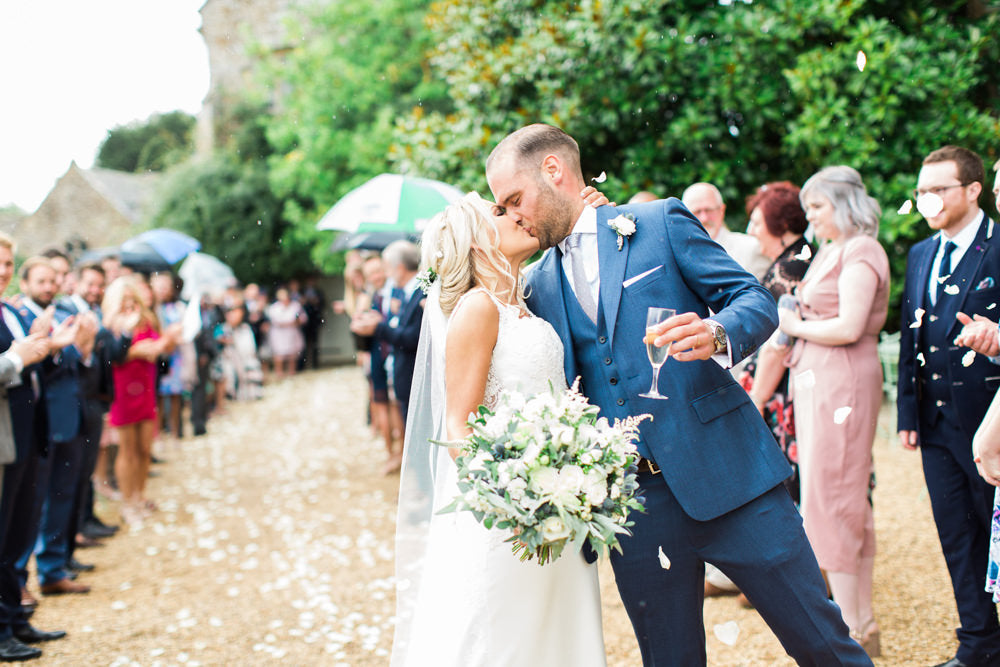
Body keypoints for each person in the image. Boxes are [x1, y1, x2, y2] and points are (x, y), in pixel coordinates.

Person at [485, 123, 870, 666]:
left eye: (514, 199)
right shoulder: (538, 283)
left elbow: (752, 298)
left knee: (822, 642)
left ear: (554, 171)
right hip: (635, 508)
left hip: (733, 479)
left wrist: (717, 334)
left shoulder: (659, 222)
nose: (511, 215)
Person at [391, 191, 609, 666]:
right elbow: (458, 426)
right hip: (512, 511)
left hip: (558, 498)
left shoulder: (526, 300)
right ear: (475, 241)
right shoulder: (478, 308)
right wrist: (518, 499)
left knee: (554, 634)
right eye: (498, 213)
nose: (516, 216)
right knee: (506, 639)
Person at [776, 167, 889, 656]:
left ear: (843, 204)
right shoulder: (830, 250)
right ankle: (859, 622)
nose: (811, 217)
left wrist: (791, 324)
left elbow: (849, 326)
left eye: (818, 207)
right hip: (818, 379)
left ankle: (852, 626)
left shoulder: (862, 249)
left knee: (837, 496)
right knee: (829, 493)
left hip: (842, 379)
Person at [898, 146, 1000, 667]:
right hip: (936, 425)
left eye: (939, 189)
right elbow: (910, 339)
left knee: (995, 532)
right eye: (921, 191)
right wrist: (907, 415)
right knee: (957, 536)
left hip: (990, 422)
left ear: (974, 191)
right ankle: (978, 646)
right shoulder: (919, 254)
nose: (927, 200)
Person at [705, 181, 815, 603]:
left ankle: (794, 576)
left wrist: (757, 396)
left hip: (779, 392)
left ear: (780, 224)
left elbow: (776, 344)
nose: (751, 229)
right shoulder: (783, 261)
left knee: (784, 482)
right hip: (772, 389)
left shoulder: (793, 266)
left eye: (757, 220)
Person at [0, 234, 73, 662]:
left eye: (8, 262)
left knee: (19, 534)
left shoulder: (7, 309)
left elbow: (26, 360)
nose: (4, 270)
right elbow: (12, 362)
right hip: (4, 440)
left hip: (27, 435)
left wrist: (49, 347)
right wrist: (17, 357)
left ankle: (14, 619)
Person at [13, 258, 98, 598]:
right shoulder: (20, 319)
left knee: (63, 493)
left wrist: (84, 342)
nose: (50, 286)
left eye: (54, 280)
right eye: (42, 281)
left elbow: (79, 361)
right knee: (32, 503)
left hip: (70, 416)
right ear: (25, 284)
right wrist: (47, 343)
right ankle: (17, 582)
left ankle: (53, 568)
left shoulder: (64, 316)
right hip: (38, 420)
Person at [104, 276, 180, 527]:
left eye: (132, 298)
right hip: (123, 388)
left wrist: (166, 341)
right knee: (127, 449)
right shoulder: (112, 324)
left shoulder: (147, 318)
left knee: (145, 448)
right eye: (123, 299)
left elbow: (157, 350)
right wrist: (140, 349)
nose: (128, 303)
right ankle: (128, 503)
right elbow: (116, 356)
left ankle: (139, 495)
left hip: (146, 386)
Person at [351, 242, 424, 428]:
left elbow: (414, 338)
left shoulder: (421, 293)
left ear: (399, 269)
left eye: (387, 268)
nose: (386, 274)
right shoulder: (406, 292)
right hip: (406, 377)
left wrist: (379, 328)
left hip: (415, 378)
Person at [682, 182, 772, 280]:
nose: (704, 218)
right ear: (684, 216)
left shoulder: (752, 248)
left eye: (709, 210)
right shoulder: (677, 256)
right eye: (697, 212)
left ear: (722, 210)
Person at [151, 273, 187, 440]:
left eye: (167, 286)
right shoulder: (152, 310)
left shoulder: (177, 307)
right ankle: (158, 434)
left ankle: (175, 432)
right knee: (157, 397)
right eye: (160, 286)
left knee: (175, 394)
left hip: (175, 357)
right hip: (157, 356)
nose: (164, 290)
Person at [266, 288, 306, 380]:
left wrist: (295, 322)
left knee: (293, 353)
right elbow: (275, 321)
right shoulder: (274, 308)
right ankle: (279, 373)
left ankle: (292, 372)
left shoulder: (296, 306)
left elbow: (303, 318)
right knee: (279, 354)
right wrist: (288, 323)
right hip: (279, 334)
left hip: (292, 333)